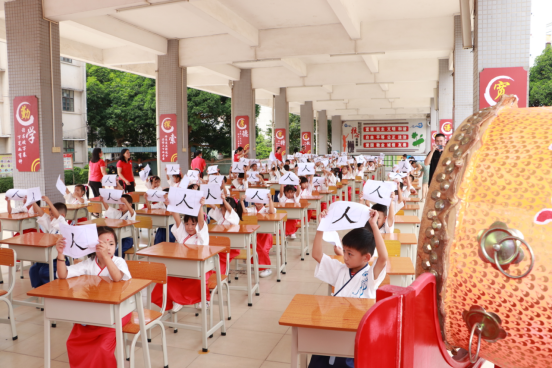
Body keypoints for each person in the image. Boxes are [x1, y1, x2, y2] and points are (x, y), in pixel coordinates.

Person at [309, 209, 388, 368]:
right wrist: (321, 227)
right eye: (344, 251)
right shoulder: (340, 269)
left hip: (356, 333)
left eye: (350, 254)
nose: (344, 257)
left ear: (366, 257)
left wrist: (374, 225)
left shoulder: (370, 276)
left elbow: (383, 257)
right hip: (334, 328)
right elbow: (317, 255)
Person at [56, 226, 132, 368]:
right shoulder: (88, 264)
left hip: (118, 313)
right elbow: (63, 274)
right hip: (92, 314)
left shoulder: (119, 262)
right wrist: (61, 254)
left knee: (102, 347)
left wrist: (105, 257)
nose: (108, 248)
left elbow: (116, 277)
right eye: (102, 244)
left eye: (111, 244)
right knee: (73, 343)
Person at [151, 198, 216, 312]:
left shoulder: (202, 235)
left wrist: (200, 206)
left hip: (200, 267)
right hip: (183, 267)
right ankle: (177, 300)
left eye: (193, 224)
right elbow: (177, 220)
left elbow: (201, 222)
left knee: (198, 279)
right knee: (169, 277)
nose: (190, 227)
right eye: (187, 224)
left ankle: (203, 299)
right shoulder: (183, 234)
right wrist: (170, 205)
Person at [28, 197, 70, 288]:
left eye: (52, 215)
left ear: (62, 215)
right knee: (33, 269)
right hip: (49, 256)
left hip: (61, 259)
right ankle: (39, 289)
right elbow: (42, 214)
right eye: (50, 214)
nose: (50, 217)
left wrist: (48, 201)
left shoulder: (64, 225)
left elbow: (58, 217)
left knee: (44, 272)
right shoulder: (51, 225)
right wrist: (33, 202)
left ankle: (52, 289)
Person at [240, 193, 276, 277]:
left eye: (261, 200)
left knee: (262, 249)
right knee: (251, 247)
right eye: (256, 200)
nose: (258, 202)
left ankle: (266, 268)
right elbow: (244, 211)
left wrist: (270, 199)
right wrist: (241, 201)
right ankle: (254, 265)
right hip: (254, 234)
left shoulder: (266, 209)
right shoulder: (252, 209)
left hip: (265, 235)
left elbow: (271, 211)